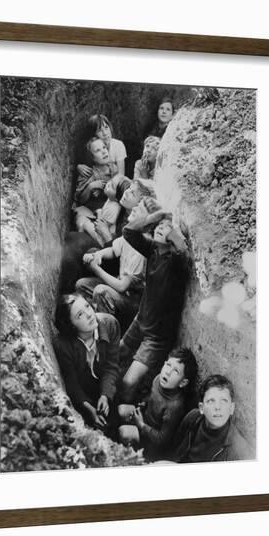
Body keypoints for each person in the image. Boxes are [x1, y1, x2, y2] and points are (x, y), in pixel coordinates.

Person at [120, 198, 189, 403]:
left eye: (167, 228)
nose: (162, 228)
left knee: (129, 382)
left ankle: (123, 411)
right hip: (140, 321)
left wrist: (171, 231)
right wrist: (155, 217)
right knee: (120, 351)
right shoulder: (153, 250)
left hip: (157, 336)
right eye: (159, 226)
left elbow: (182, 251)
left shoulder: (175, 263)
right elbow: (129, 232)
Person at [74, 179, 159, 332]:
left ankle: (108, 332)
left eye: (138, 208)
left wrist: (96, 268)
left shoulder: (141, 248)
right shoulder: (130, 233)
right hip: (120, 288)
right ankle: (92, 322)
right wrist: (99, 254)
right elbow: (114, 249)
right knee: (81, 285)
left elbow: (122, 286)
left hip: (133, 301)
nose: (126, 192)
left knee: (101, 291)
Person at [53, 294, 121, 431]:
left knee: (114, 420)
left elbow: (111, 367)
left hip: (105, 384)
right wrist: (89, 409)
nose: (89, 314)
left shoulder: (109, 324)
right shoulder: (63, 345)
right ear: (71, 325)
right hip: (83, 393)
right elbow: (71, 383)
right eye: (80, 315)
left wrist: (105, 395)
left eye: (87, 306)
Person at [117, 348, 198, 461]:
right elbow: (151, 397)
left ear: (183, 382)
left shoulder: (174, 407)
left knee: (123, 432)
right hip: (145, 420)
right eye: (168, 365)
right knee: (121, 410)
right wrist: (143, 405)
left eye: (176, 371)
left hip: (153, 443)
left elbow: (161, 439)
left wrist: (141, 425)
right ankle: (124, 438)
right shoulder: (158, 379)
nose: (168, 372)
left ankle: (133, 456)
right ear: (164, 364)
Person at [171, 374, 253, 462]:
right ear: (201, 408)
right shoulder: (192, 418)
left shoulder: (238, 450)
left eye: (223, 401)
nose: (217, 407)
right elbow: (175, 449)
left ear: (231, 408)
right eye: (211, 401)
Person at [73, 137, 118, 244]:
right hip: (88, 210)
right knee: (82, 222)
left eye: (104, 148)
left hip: (106, 210)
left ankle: (106, 242)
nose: (103, 151)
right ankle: (102, 243)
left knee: (112, 227)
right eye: (98, 151)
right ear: (92, 158)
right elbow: (81, 200)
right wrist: (91, 187)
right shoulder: (88, 174)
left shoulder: (113, 169)